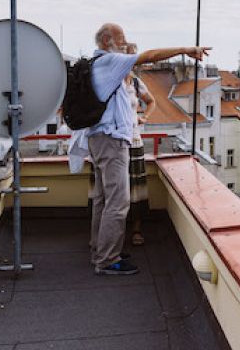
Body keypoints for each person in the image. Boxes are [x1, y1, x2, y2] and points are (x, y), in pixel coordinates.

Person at [88, 23, 209, 275]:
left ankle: (99, 249)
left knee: (103, 199)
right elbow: (150, 56)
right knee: (118, 201)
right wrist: (185, 49)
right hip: (112, 141)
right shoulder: (111, 61)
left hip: (98, 138)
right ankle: (107, 260)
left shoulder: (94, 64)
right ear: (108, 40)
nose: (124, 43)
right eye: (121, 38)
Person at [123, 43, 156, 246]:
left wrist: (144, 118)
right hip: (114, 141)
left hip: (134, 141)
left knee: (135, 187)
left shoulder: (135, 83)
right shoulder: (112, 81)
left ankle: (136, 229)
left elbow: (151, 101)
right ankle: (113, 231)